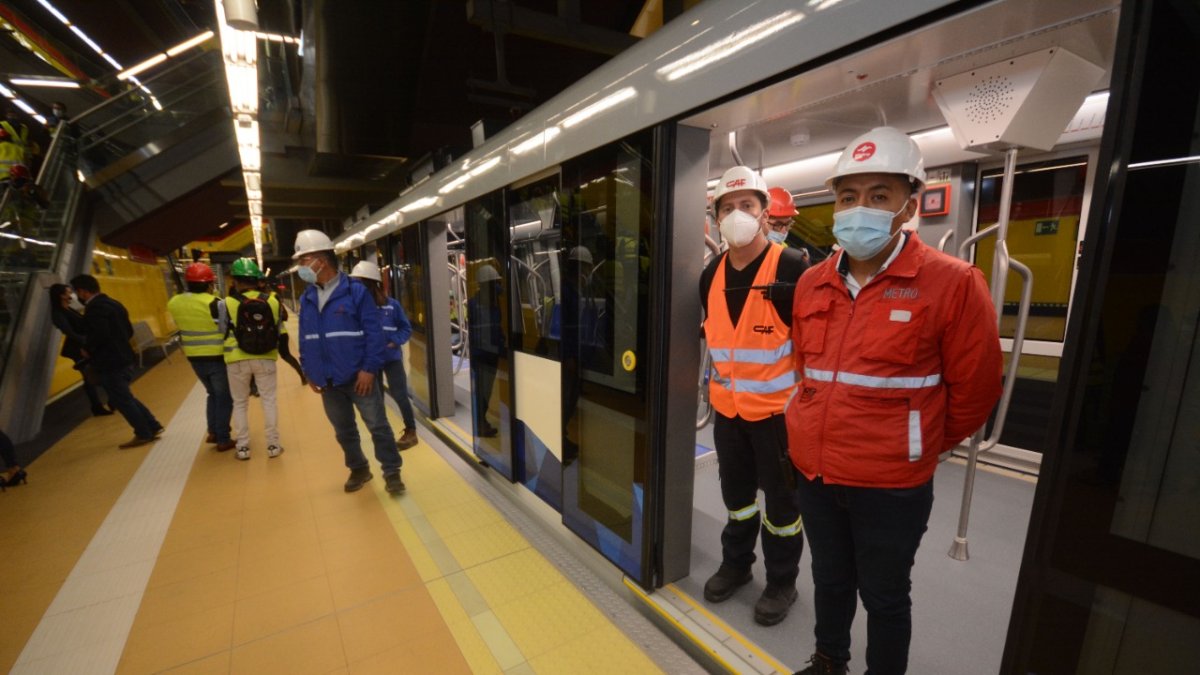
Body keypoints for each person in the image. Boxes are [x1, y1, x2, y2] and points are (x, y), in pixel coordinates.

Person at [786, 127, 1003, 675]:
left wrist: (919, 442)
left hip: (892, 484)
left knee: (884, 596)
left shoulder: (952, 283)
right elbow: (805, 371)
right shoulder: (812, 283)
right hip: (815, 472)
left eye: (878, 195)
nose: (859, 209)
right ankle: (829, 659)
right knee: (830, 580)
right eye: (847, 197)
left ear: (908, 206)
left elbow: (975, 390)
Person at [700, 165, 809, 626]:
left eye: (747, 205)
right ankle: (737, 565)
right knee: (738, 497)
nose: (737, 214)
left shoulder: (792, 269)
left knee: (783, 507)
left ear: (765, 215)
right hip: (728, 413)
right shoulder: (710, 276)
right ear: (716, 218)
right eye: (728, 207)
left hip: (778, 417)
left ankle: (782, 580)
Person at [294, 230, 405, 494]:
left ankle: (392, 473)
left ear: (321, 260)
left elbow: (374, 335)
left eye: (303, 259)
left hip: (358, 377)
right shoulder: (307, 298)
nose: (300, 266)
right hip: (328, 381)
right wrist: (308, 370)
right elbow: (305, 337)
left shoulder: (355, 292)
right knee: (344, 431)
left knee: (378, 426)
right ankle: (359, 469)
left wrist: (369, 370)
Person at [69, 274, 163, 448]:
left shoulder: (95, 309)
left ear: (82, 291)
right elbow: (128, 330)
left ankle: (143, 433)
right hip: (125, 356)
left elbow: (99, 334)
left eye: (76, 292)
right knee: (125, 396)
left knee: (122, 399)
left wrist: (87, 348)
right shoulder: (114, 303)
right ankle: (152, 425)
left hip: (109, 361)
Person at [349, 261, 418, 450]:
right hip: (371, 362)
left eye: (360, 283)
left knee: (400, 395)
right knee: (376, 400)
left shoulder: (392, 306)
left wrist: (394, 340)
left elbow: (406, 328)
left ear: (371, 284)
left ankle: (411, 431)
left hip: (391, 359)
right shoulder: (355, 308)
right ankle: (384, 436)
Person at [166, 263, 235, 452]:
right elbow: (224, 328)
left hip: (193, 357)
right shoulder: (215, 303)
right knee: (224, 397)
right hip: (216, 356)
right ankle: (223, 438)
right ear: (209, 284)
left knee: (212, 394)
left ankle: (213, 431)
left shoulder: (174, 302)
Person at [222, 257, 283, 460]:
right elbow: (278, 327)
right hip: (266, 357)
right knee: (269, 400)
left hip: (236, 359)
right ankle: (273, 445)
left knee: (239, 403)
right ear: (256, 279)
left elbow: (222, 330)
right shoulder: (273, 301)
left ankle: (243, 447)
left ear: (235, 281)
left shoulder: (226, 303)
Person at [47, 283, 112, 417]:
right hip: (78, 348)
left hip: (83, 345)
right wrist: (86, 342)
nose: (71, 294)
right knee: (90, 375)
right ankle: (97, 406)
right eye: (68, 292)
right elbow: (69, 332)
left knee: (93, 374)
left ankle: (104, 403)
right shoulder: (58, 313)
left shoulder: (68, 308)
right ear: (61, 295)